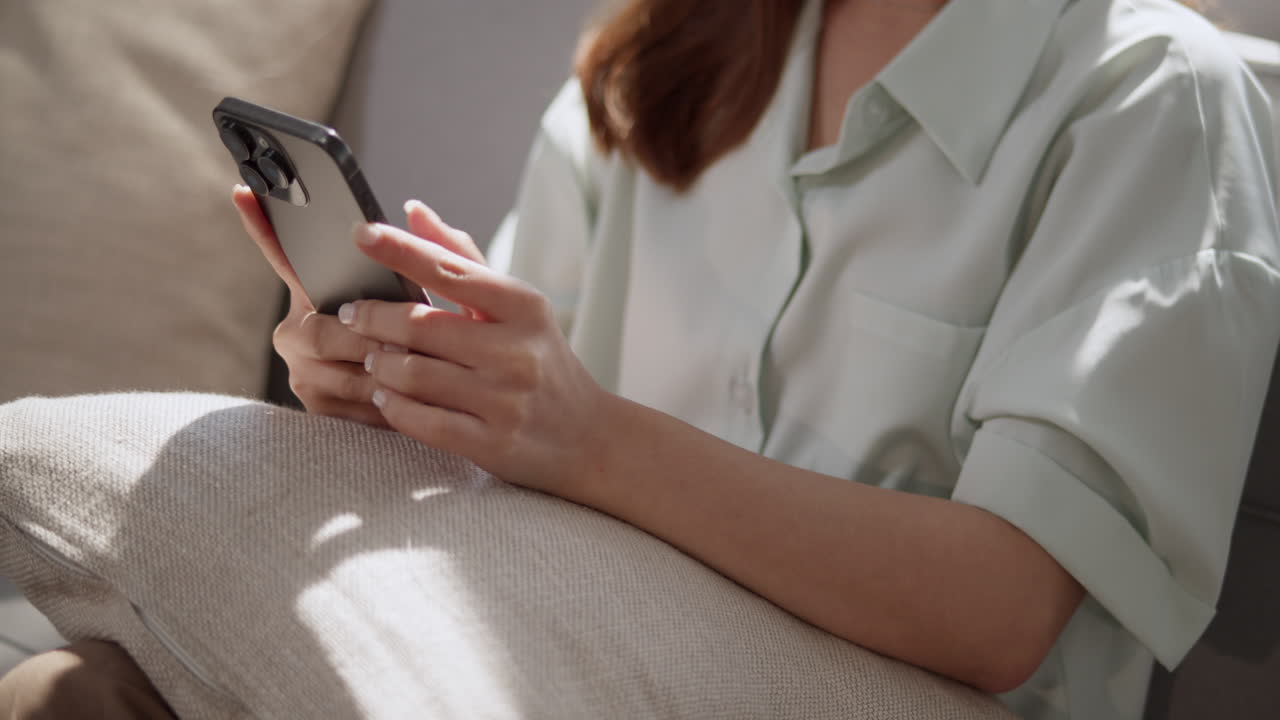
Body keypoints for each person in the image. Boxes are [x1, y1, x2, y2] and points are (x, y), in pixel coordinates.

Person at [2, 0, 1277, 718]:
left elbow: (1000, 615)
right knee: (76, 700)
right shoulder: (661, 59)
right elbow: (519, 465)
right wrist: (405, 383)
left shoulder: (1151, 97)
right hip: (579, 646)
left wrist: (591, 436)